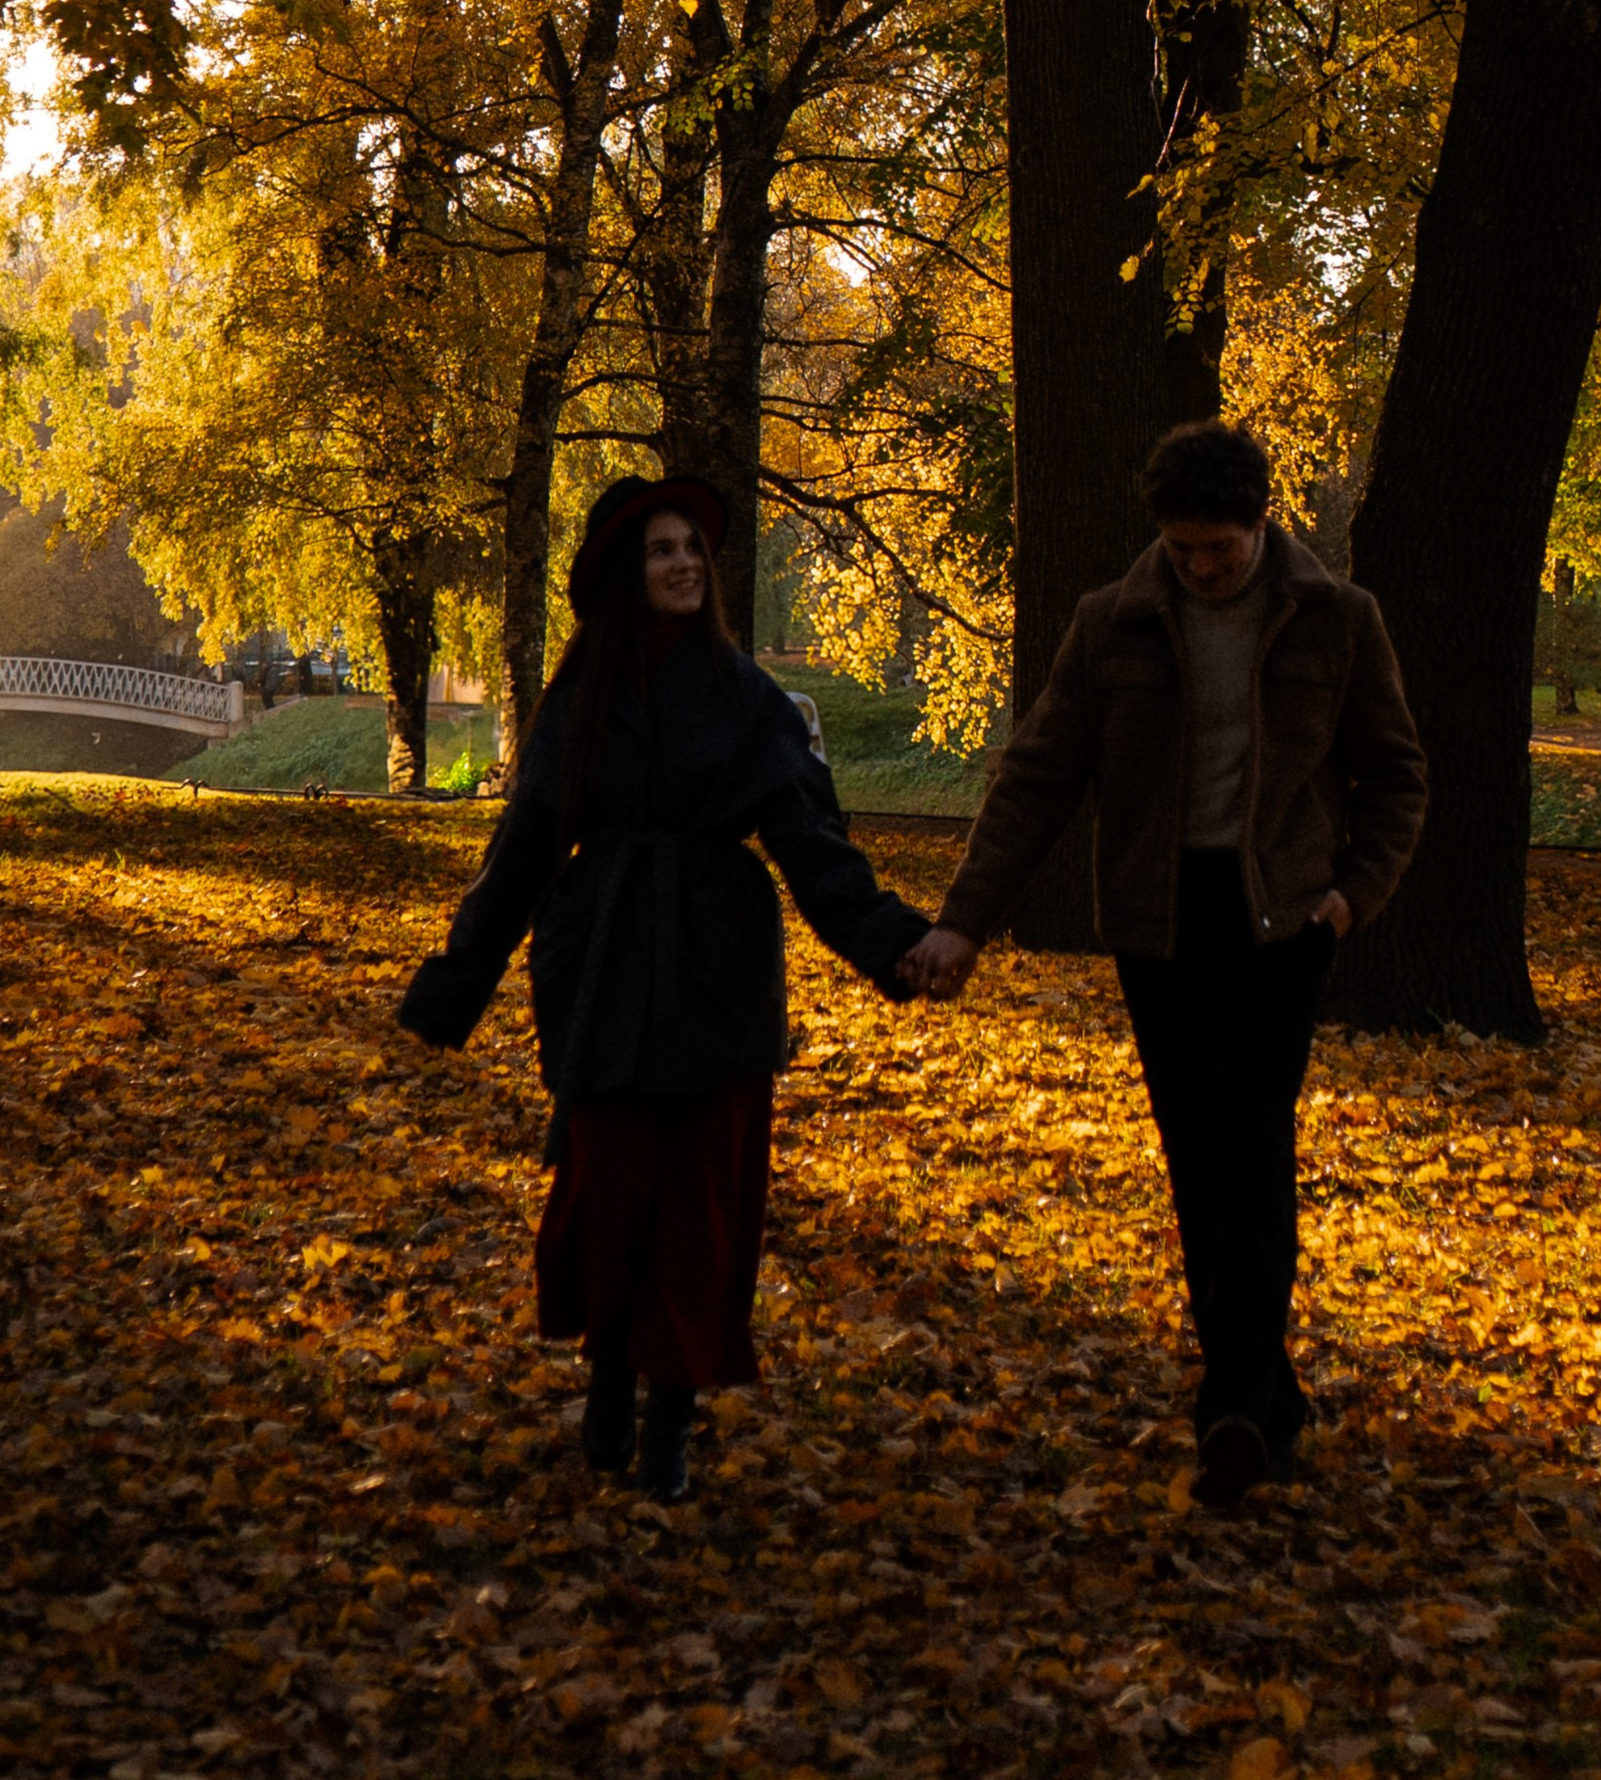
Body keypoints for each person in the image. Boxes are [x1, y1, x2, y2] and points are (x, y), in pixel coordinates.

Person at [902, 420, 1426, 1509]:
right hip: (1157, 922)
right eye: (1182, 551)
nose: (1200, 569)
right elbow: (1037, 777)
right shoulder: (1113, 623)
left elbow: (1396, 774)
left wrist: (1351, 895)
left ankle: (1230, 1408)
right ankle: (1260, 1395)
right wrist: (964, 921)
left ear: (1260, 523)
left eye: (1218, 552)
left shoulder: (1338, 619)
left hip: (1282, 920)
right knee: (1197, 1161)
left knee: (1251, 1144)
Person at [398, 476, 930, 1501]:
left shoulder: (748, 700)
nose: (684, 563)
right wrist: (457, 982)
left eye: (692, 547)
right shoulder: (581, 695)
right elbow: (522, 849)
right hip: (598, 964)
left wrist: (895, 948)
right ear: (622, 575)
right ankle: (609, 1379)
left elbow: (816, 850)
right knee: (609, 1190)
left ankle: (671, 1421)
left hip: (716, 972)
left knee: (699, 1203)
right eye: (661, 551)